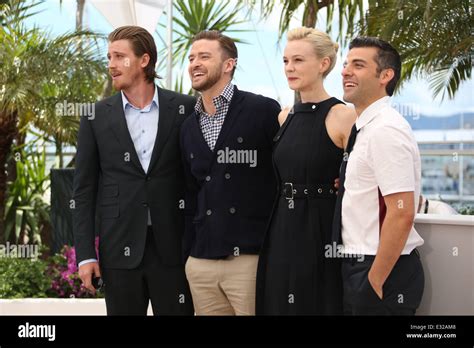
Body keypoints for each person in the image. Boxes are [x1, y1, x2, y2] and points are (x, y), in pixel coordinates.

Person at [73, 26, 194, 315]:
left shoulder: (186, 108)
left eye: (119, 56)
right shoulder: (95, 116)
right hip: (119, 249)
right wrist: (86, 255)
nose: (111, 65)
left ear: (143, 60)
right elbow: (83, 191)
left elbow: (197, 179)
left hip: (174, 250)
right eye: (109, 57)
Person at [255, 27, 356, 315]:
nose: (289, 68)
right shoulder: (284, 115)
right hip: (281, 226)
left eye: (298, 60)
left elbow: (359, 175)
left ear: (324, 64)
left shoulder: (343, 115)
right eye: (286, 61)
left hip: (322, 229)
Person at [180, 30, 280, 315]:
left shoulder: (262, 110)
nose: (195, 63)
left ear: (228, 65)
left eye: (204, 56)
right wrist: (190, 255)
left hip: (249, 258)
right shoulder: (188, 127)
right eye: (191, 58)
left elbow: (285, 173)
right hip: (202, 261)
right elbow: (190, 192)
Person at [333, 36, 425, 315]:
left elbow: (402, 212)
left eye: (358, 65)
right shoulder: (365, 128)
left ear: (386, 75)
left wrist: (374, 280)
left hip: (380, 269)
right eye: (347, 64)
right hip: (360, 265)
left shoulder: (385, 129)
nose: (346, 71)